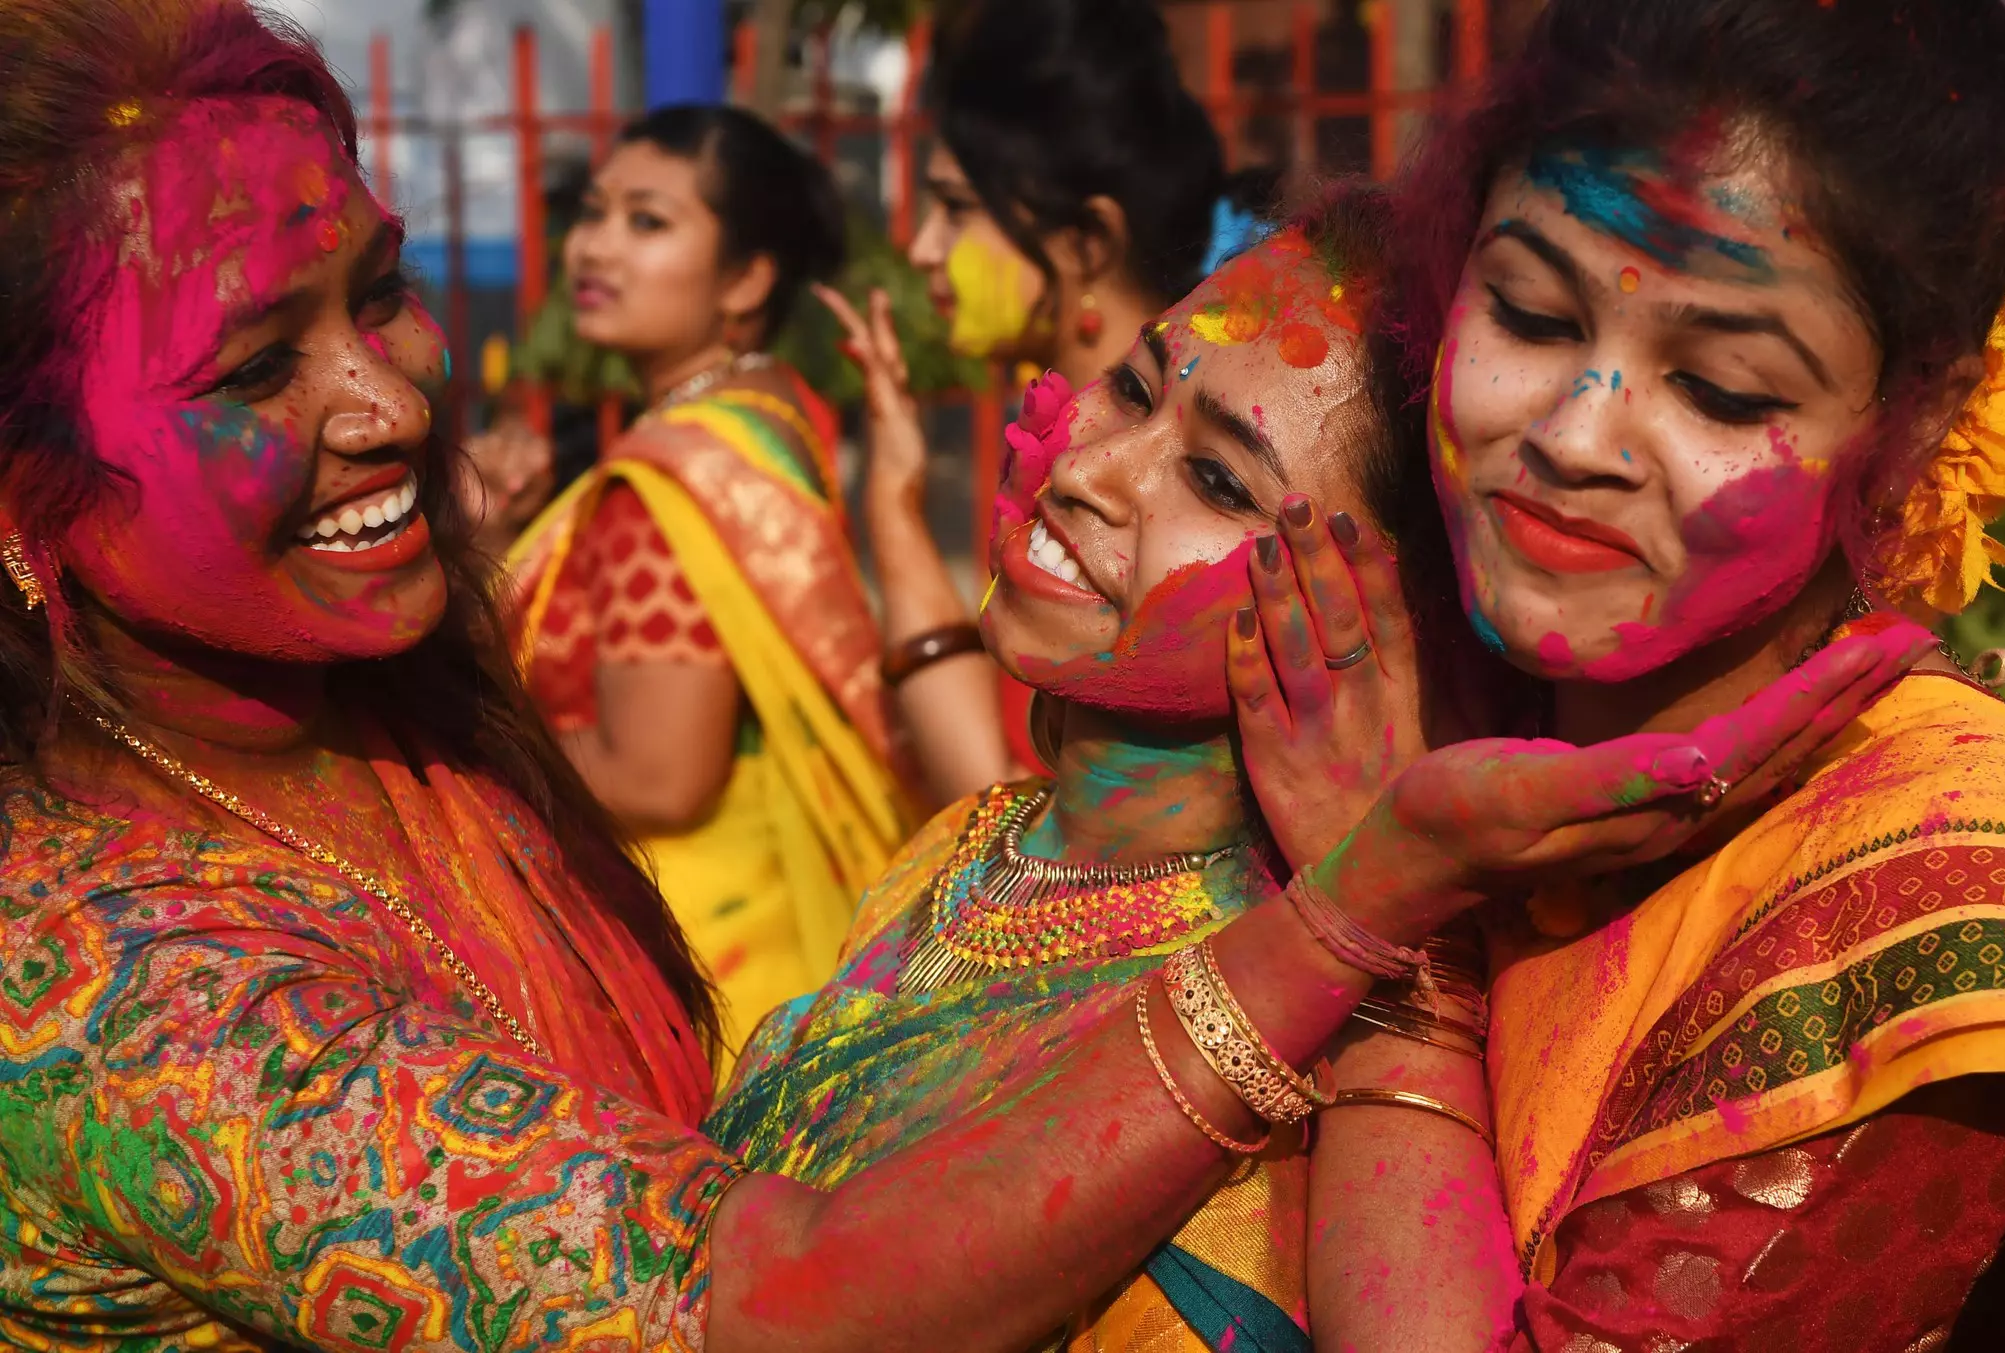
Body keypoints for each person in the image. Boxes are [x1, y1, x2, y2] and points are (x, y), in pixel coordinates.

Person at [0, 8, 1899, 1350]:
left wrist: (1367, 938)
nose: (398, 395)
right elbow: (762, 1293)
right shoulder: (114, 985)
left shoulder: (1280, 971)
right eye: (256, 370)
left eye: (386, 289)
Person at [708, 202, 1929, 1346]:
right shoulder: (971, 845)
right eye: (1134, 387)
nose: (1092, 470)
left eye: (1219, 481)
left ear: (1383, 615)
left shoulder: (1309, 1039)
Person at [1243, 1, 2005, 1347]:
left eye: (1724, 391)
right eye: (1530, 312)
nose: (1573, 435)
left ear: (1914, 425)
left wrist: (1385, 941)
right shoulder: (1379, 684)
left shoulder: (1940, 901)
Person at [500, 105, 914, 1053]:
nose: (595, 247)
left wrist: (471, 740)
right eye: (595, 212)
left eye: (648, 222)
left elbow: (658, 775)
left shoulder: (671, 479)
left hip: (702, 960)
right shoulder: (768, 417)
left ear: (747, 277)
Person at [822, 0, 1281, 801]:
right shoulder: (1066, 438)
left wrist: (895, 514)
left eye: (959, 211)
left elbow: (1004, 798)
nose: (925, 247)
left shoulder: (1114, 482)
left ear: (1085, 244)